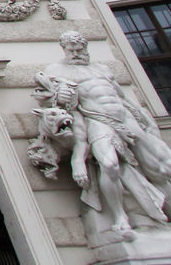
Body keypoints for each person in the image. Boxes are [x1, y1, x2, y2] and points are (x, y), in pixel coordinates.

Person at [32, 31, 171, 237]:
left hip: (125, 118)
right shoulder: (56, 70)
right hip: (98, 120)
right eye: (72, 50)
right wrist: (59, 96)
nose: (76, 53)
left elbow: (123, 98)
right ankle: (120, 216)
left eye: (80, 49)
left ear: (86, 48)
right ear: (64, 50)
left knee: (161, 167)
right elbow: (51, 101)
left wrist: (146, 121)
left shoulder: (102, 69)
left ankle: (161, 214)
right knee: (109, 165)